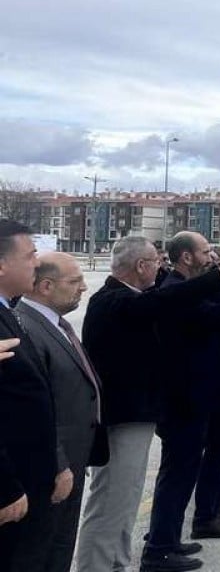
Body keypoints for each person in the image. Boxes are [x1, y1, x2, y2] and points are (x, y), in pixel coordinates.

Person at [77, 235, 220, 572]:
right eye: (156, 262)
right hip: (122, 419)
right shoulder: (113, 300)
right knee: (111, 501)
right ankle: (96, 566)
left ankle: (115, 563)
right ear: (141, 265)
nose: (161, 267)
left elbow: (165, 301)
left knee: (125, 500)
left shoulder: (133, 298)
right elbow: (166, 300)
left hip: (138, 416)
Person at [13, 252, 103, 572]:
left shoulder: (56, 323)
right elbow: (37, 406)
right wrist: (59, 463)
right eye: (75, 281)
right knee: (41, 551)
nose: (83, 288)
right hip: (52, 468)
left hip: (72, 460)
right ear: (46, 286)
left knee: (61, 544)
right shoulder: (28, 328)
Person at [0, 220, 65, 570]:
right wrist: (5, 487)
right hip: (14, 485)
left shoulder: (8, 310)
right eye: (29, 255)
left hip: (31, 478)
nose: (36, 263)